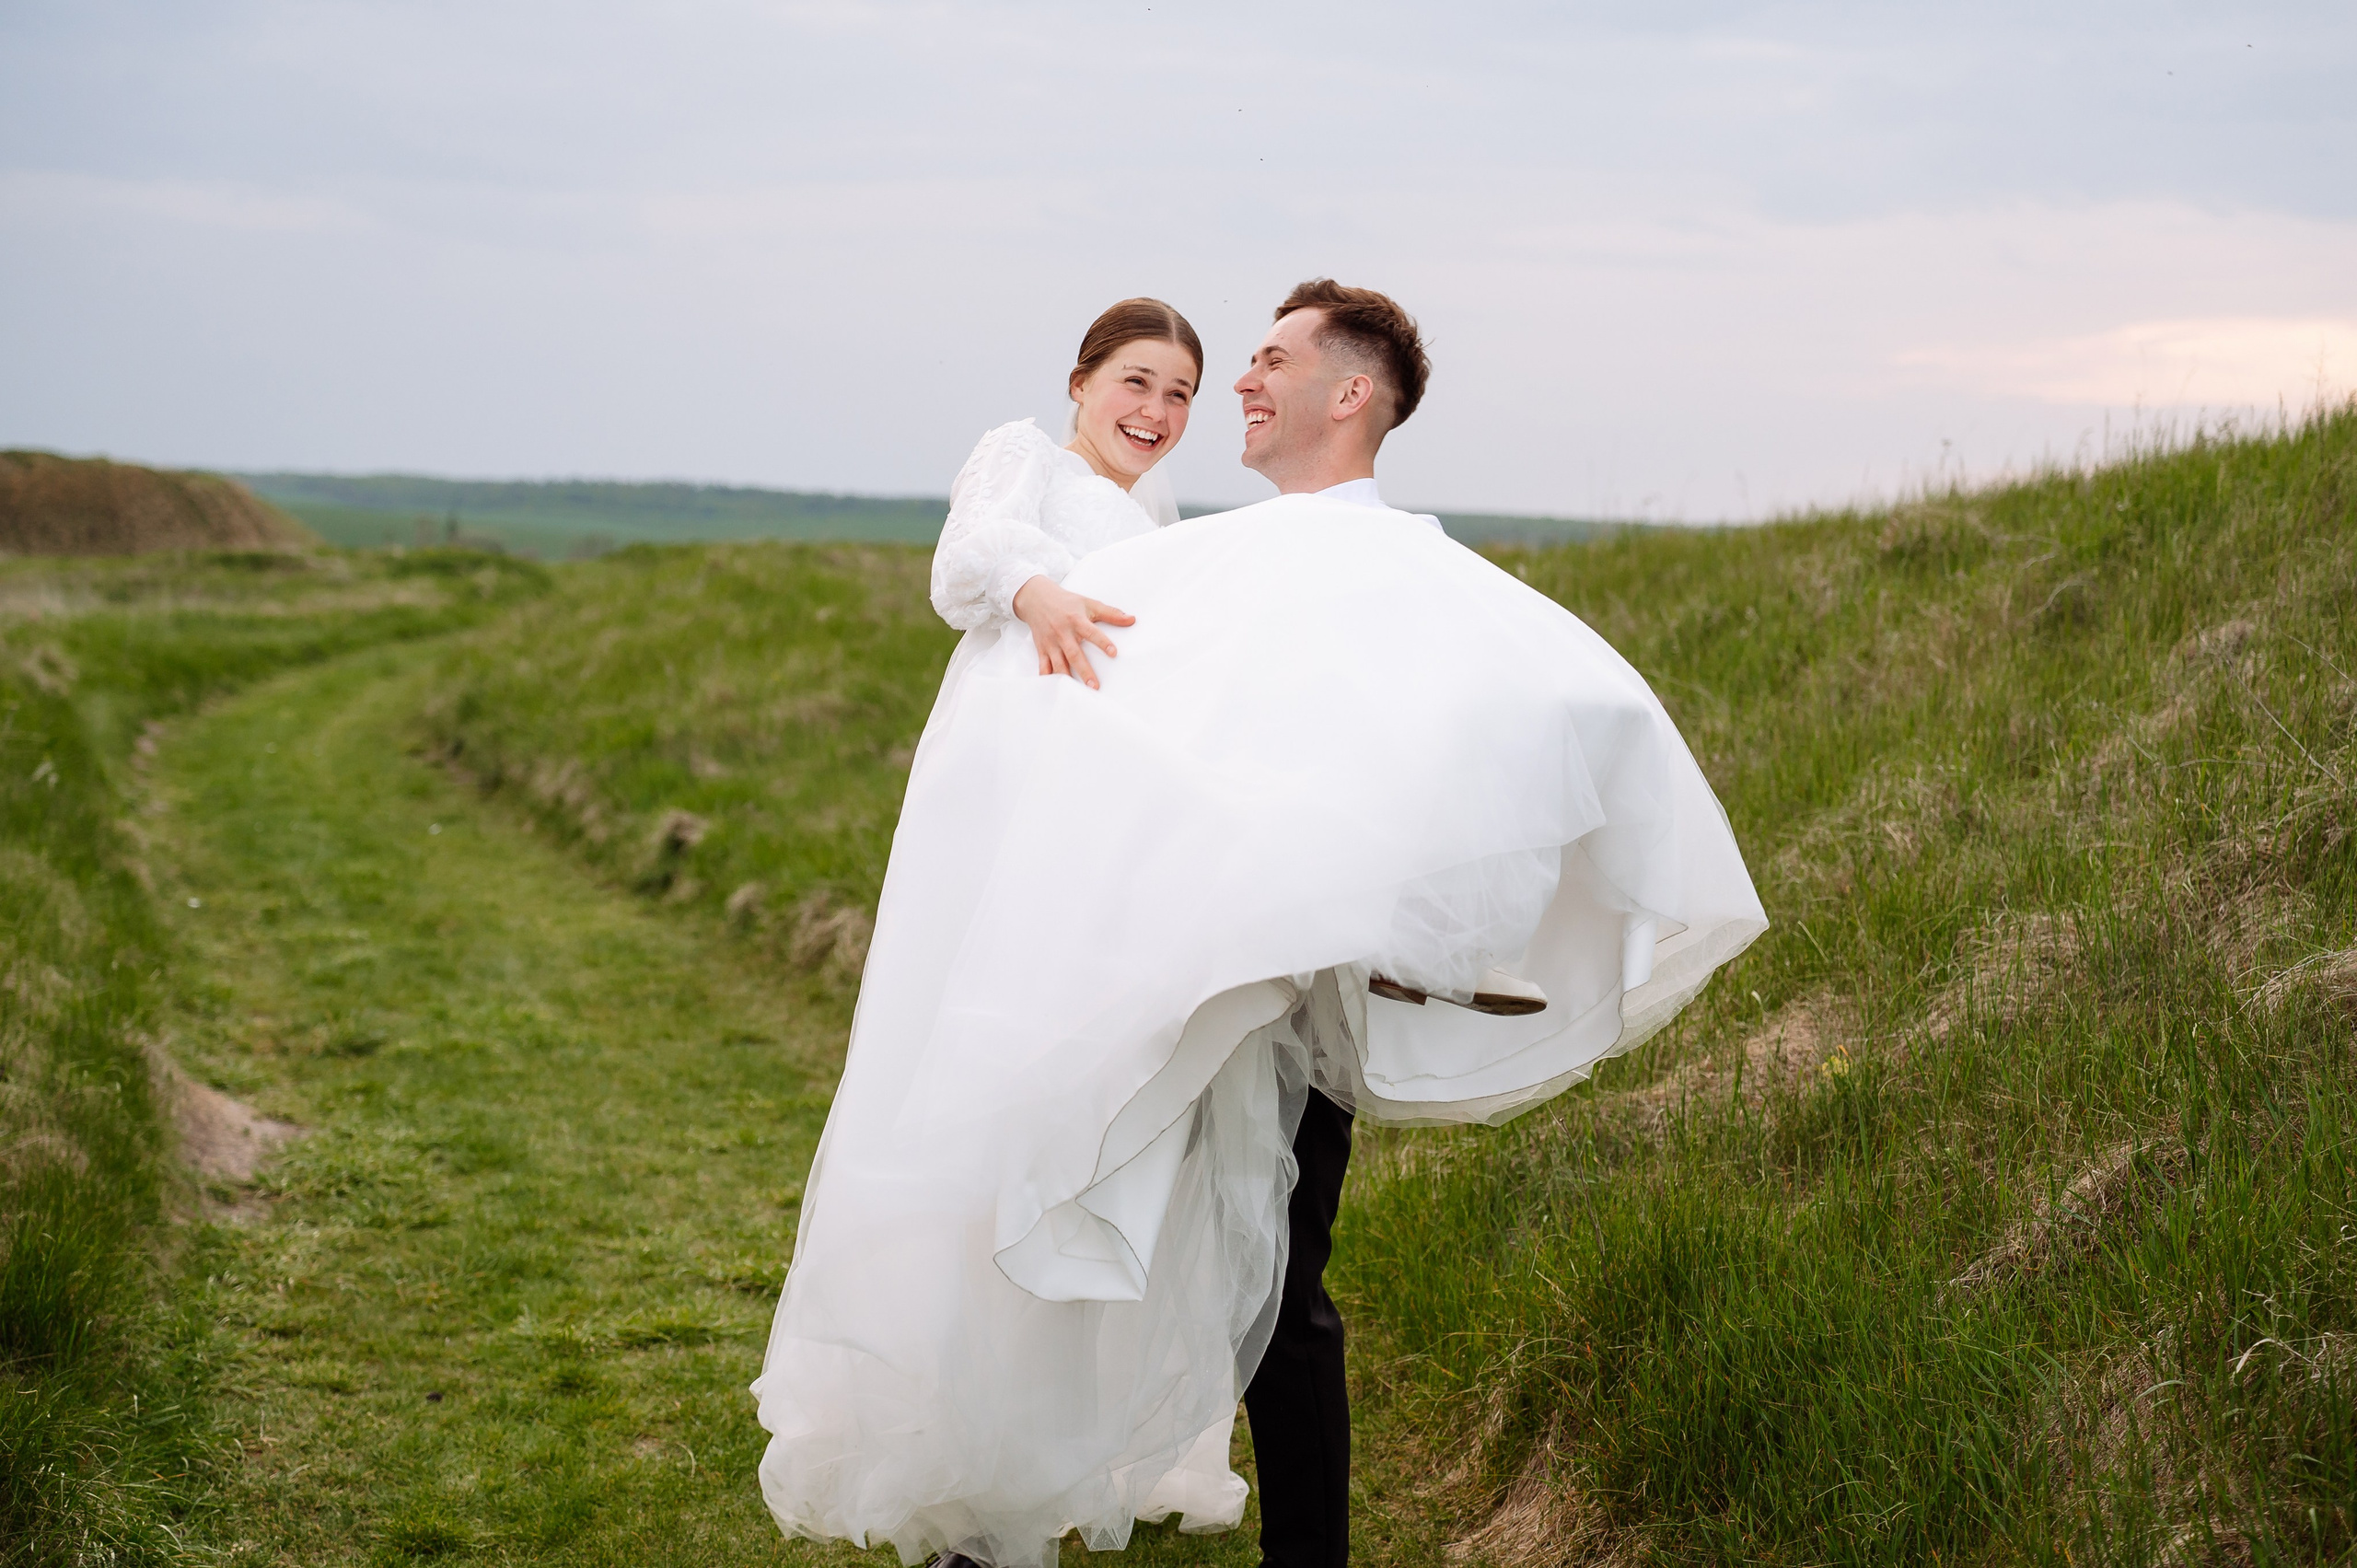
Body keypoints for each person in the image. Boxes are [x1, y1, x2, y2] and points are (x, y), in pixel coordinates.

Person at [750, 283, 1768, 1568]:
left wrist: (1433, 932)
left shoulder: (1395, 566)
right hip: (1144, 967)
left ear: (1349, 394)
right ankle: (996, 1503)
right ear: (1080, 386)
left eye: (1261, 362)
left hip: (1290, 990)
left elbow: (1499, 728)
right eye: (1156, 382)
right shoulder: (1221, 551)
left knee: (1280, 1287)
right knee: (1070, 1230)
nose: (1214, 392)